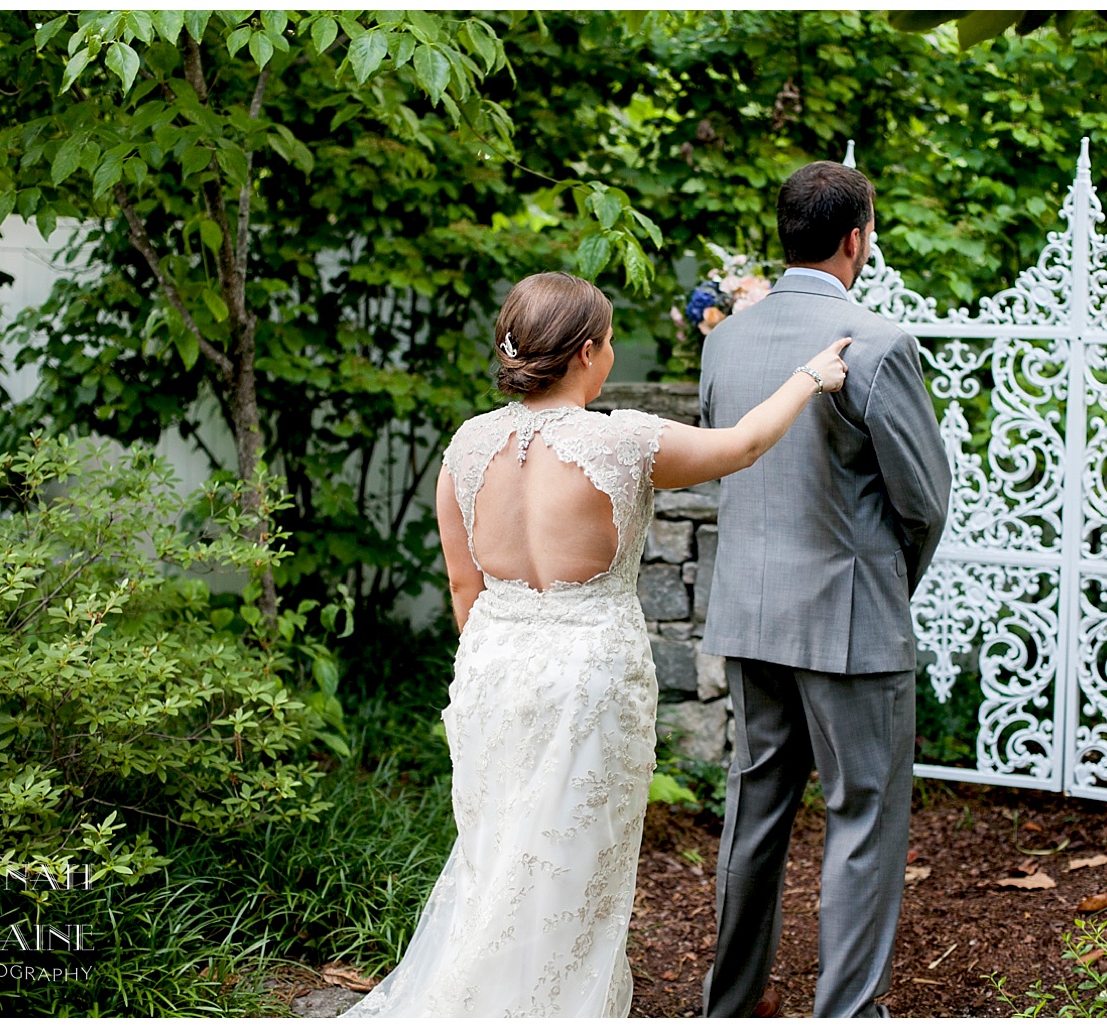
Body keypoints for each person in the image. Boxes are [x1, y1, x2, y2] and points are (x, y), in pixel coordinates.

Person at [342, 270, 852, 1018]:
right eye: (609, 341)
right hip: (587, 675)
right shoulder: (624, 441)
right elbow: (742, 446)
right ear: (587, 353)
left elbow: (463, 586)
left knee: (498, 853)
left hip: (492, 668)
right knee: (568, 866)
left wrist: (498, 662)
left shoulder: (468, 444)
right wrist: (811, 375)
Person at [698, 161, 951, 1018]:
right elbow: (923, 500)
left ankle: (725, 1007)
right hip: (849, 619)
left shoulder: (725, 339)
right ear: (856, 239)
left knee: (755, 810)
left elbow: (725, 460)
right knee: (862, 818)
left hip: (748, 613)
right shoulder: (877, 342)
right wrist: (889, 588)